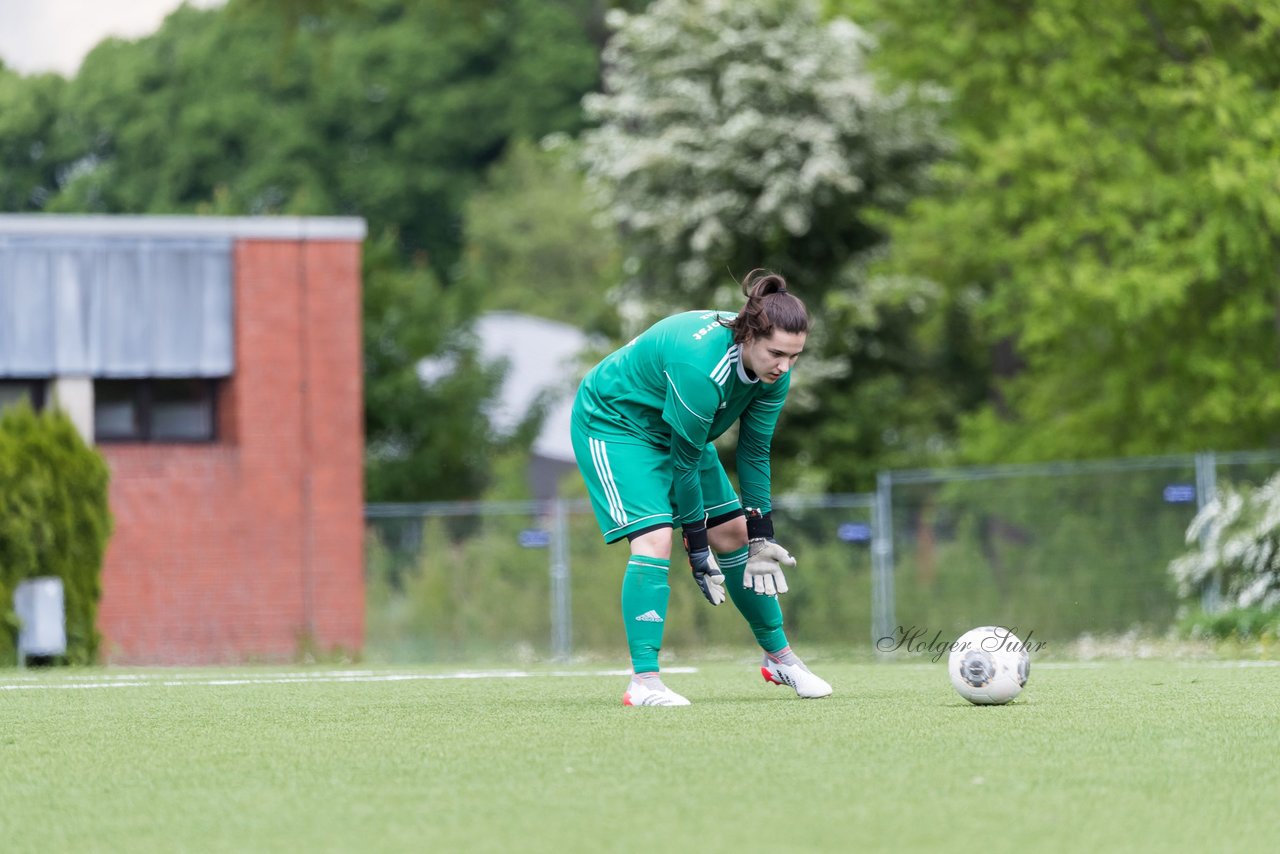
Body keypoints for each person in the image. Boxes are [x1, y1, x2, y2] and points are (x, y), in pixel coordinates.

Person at [570, 270, 833, 706]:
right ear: (748, 336)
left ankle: (780, 658)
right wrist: (695, 548)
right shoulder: (701, 368)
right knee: (653, 540)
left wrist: (761, 535)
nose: (785, 366)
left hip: (676, 431)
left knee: (735, 534)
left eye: (795, 356)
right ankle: (644, 681)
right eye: (776, 354)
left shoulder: (774, 374)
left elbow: (753, 452)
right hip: (617, 424)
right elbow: (684, 463)